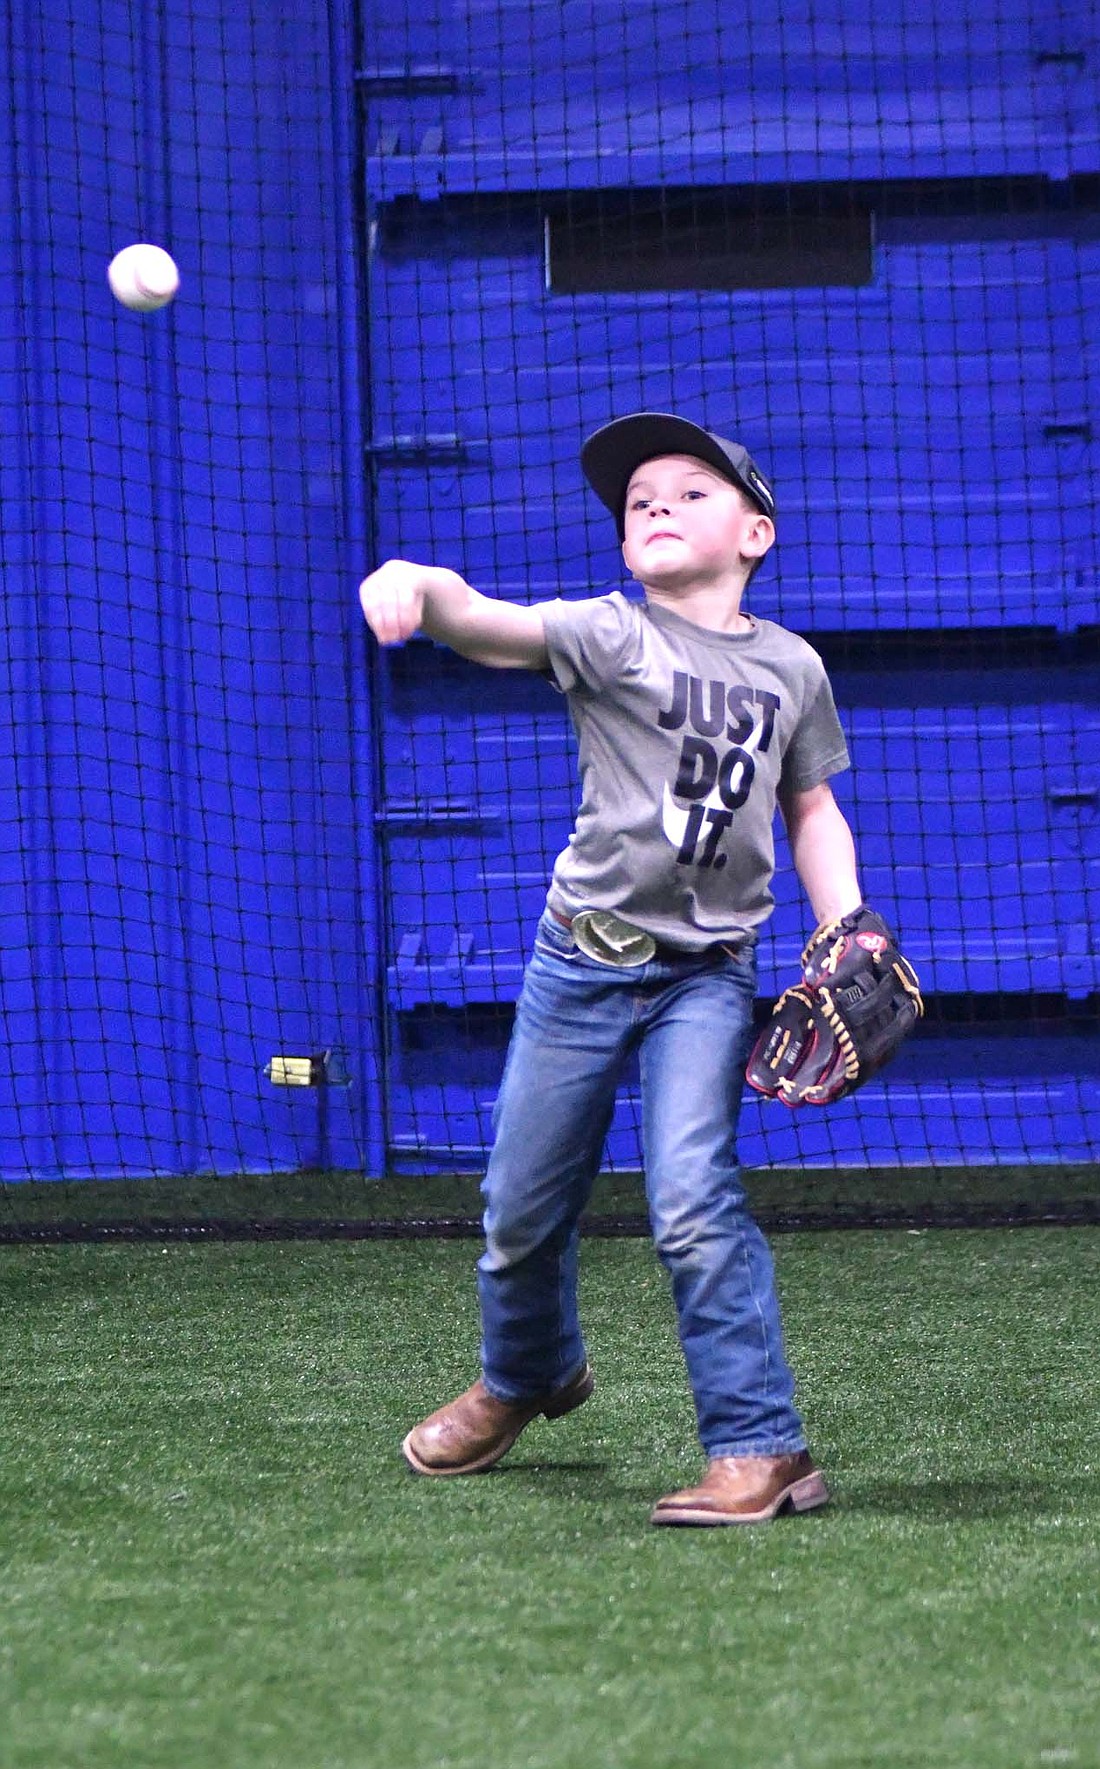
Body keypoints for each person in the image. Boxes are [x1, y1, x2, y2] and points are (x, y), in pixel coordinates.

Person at [358, 411, 862, 1526]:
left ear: (755, 532)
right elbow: (485, 622)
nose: (655, 505)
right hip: (578, 964)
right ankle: (525, 1373)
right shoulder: (605, 633)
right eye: (638, 501)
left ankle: (759, 1448)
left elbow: (810, 804)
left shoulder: (791, 666)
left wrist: (847, 928)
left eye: (688, 491)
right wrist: (415, 581)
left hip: (706, 979)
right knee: (517, 1211)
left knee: (690, 1198)